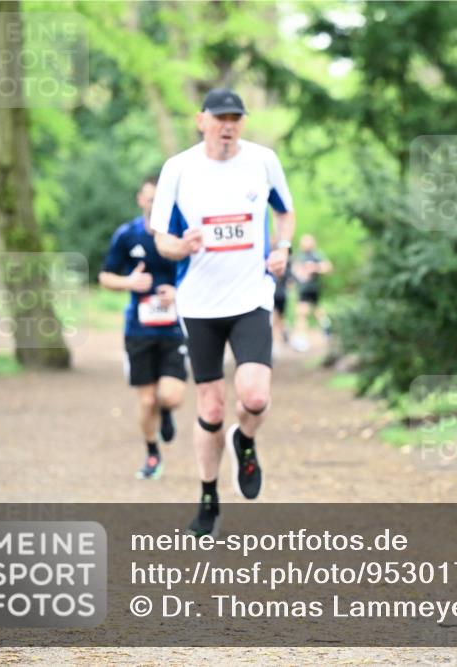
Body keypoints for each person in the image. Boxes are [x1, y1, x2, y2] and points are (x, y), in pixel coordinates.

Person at [151, 88, 295, 536]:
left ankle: (246, 439)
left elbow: (285, 214)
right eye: (220, 118)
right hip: (199, 303)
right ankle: (208, 495)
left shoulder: (263, 160)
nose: (228, 125)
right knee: (210, 407)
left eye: (235, 117)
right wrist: (182, 245)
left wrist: (283, 248)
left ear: (243, 122)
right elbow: (162, 239)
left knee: (254, 396)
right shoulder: (178, 168)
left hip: (251, 295)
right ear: (202, 121)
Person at [99, 176, 187, 480]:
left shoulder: (180, 236)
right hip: (139, 329)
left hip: (175, 328)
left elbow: (200, 276)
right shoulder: (127, 235)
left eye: (160, 199)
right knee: (146, 399)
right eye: (150, 198)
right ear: (141, 199)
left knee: (171, 397)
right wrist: (128, 282)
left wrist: (180, 293)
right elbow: (105, 276)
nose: (155, 204)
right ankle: (152, 453)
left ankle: (166, 412)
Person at [290, 233, 332, 352]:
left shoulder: (317, 255)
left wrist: (315, 268)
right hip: (303, 289)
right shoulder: (300, 256)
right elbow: (295, 271)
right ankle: (302, 339)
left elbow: (327, 267)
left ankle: (326, 328)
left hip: (313, 288)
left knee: (316, 311)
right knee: (301, 313)